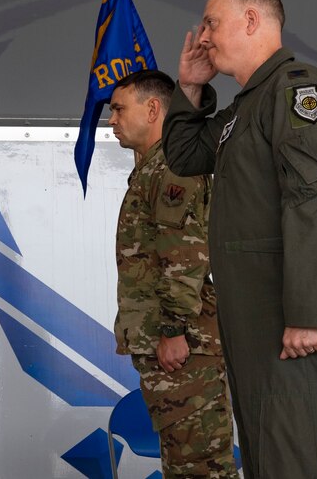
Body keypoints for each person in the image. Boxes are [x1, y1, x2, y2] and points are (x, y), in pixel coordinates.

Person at [161, 0, 317, 479]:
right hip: (260, 329)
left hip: (292, 326)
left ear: (251, 21)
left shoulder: (296, 90)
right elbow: (186, 156)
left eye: (211, 21)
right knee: (274, 461)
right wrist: (189, 86)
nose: (203, 35)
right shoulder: (245, 107)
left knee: (307, 460)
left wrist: (310, 314)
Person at [108, 69, 239, 478]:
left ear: (152, 109)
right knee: (185, 467)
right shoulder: (154, 167)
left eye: (118, 109)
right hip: (178, 345)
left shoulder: (171, 167)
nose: (111, 120)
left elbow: (184, 256)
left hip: (185, 347)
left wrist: (174, 330)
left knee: (201, 469)